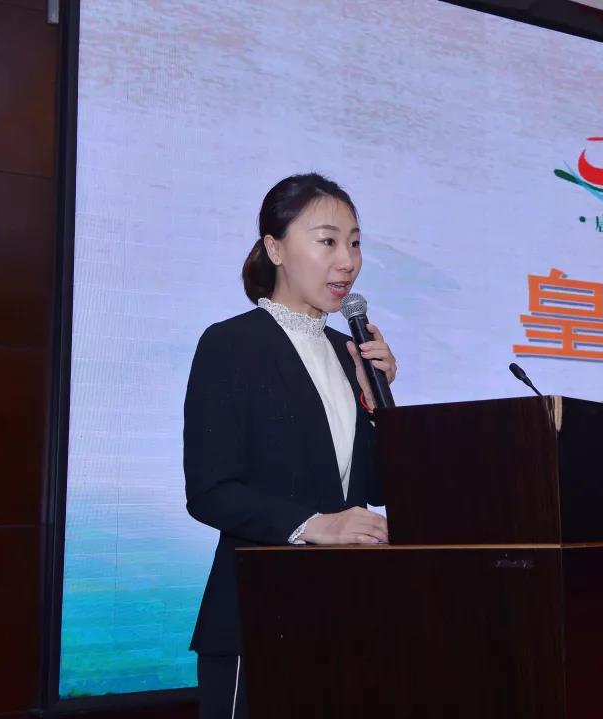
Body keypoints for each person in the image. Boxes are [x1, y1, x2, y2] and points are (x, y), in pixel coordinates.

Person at [183, 173, 396, 718]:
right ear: (275, 249)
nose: (347, 261)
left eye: (354, 243)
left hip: (350, 613)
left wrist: (380, 403)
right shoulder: (231, 344)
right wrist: (314, 525)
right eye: (327, 241)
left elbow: (377, 486)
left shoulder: (351, 352)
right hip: (258, 614)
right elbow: (210, 491)